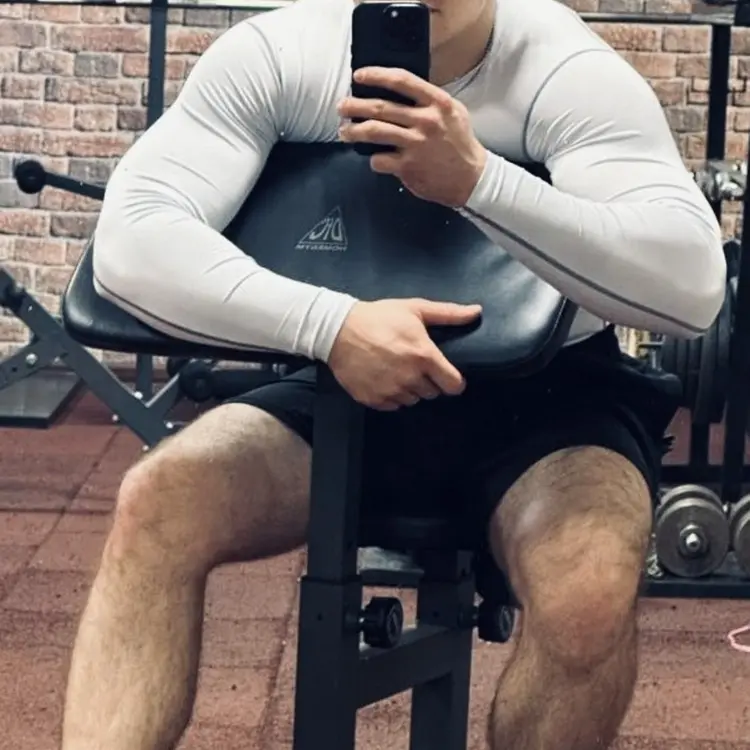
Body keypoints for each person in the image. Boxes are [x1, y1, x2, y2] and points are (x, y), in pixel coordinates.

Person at [61, 0, 727, 748]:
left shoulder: (565, 71)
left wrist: (477, 181)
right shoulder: (281, 54)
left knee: (589, 593)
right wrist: (330, 326)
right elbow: (131, 241)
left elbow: (692, 286)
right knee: (158, 502)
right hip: (346, 384)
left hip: (551, 404)